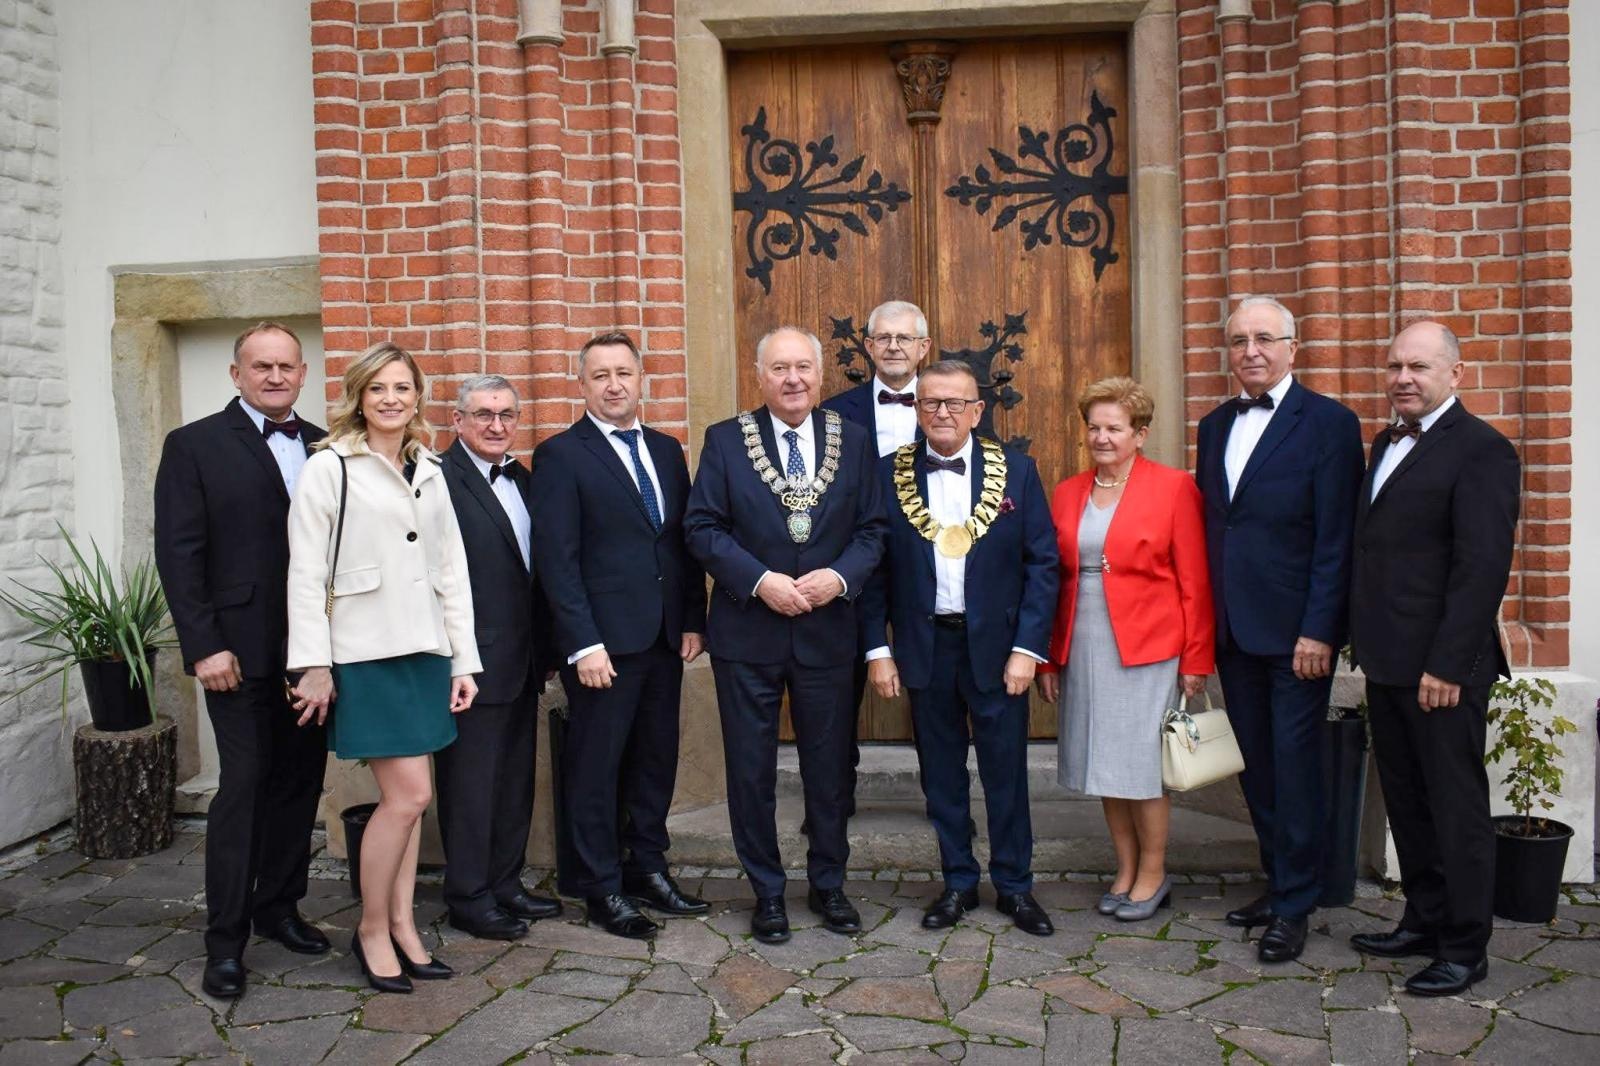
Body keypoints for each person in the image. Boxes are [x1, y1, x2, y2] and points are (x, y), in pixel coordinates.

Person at [286, 341, 481, 994]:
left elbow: (450, 567)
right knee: (410, 796)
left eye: (402, 387)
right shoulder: (329, 468)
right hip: (364, 653)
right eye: (379, 389)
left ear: (418, 396)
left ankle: (403, 925)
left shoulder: (428, 465)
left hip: (425, 651)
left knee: (411, 805)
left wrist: (464, 661)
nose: (392, 399)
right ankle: (371, 928)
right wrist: (312, 664)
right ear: (359, 397)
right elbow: (305, 573)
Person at [684, 326, 888, 945]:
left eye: (803, 367)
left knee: (829, 768)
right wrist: (759, 580)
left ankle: (829, 884)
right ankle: (766, 891)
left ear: (820, 375)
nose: (793, 378)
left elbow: (874, 530)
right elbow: (702, 527)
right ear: (759, 374)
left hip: (829, 632)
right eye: (780, 368)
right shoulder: (724, 441)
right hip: (749, 632)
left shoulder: (854, 442)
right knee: (751, 770)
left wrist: (840, 577)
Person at [153, 322, 332, 1000]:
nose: (275, 377)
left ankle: (279, 907)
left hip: (311, 654)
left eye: (287, 366)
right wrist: (202, 646)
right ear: (236, 375)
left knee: (298, 785)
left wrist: (330, 653)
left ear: (303, 373)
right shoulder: (193, 445)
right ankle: (224, 942)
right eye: (261, 367)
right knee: (244, 789)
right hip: (235, 652)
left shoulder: (324, 445)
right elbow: (180, 552)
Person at [1347, 321, 1520, 997]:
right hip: (1388, 660)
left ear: (1456, 374)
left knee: (1455, 809)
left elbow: (1481, 569)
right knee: (1409, 805)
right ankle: (1423, 918)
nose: (1403, 378)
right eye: (1394, 366)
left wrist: (1447, 665)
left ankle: (1465, 946)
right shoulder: (1386, 442)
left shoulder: (1482, 451)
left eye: (1418, 366)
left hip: (1442, 671)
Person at [1193, 296, 1365, 962]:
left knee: (1295, 770)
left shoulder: (1329, 424)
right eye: (1239, 340)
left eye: (1265, 338)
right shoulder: (1213, 426)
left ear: (1294, 347)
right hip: (1235, 630)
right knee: (1257, 768)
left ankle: (1296, 904)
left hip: (1298, 636)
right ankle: (1280, 881)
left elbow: (1335, 538)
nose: (1251, 351)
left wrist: (1320, 630)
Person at [861, 361, 1059, 934]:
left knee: (1006, 772)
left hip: (999, 651)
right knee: (941, 774)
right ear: (917, 411)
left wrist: (1029, 648)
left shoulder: (1017, 473)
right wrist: (878, 650)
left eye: (954, 403)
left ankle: (1016, 886)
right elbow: (873, 569)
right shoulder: (886, 474)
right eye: (930, 403)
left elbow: (1042, 565)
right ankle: (958, 882)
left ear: (978, 411)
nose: (941, 413)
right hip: (926, 646)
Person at [531, 332, 709, 941]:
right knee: (596, 768)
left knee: (655, 763)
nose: (614, 385)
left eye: (624, 373)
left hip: (662, 638)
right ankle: (600, 885)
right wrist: (581, 643)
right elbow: (557, 559)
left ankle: (648, 868)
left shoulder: (666, 449)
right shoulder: (560, 455)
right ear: (581, 385)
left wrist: (691, 618)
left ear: (642, 380)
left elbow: (679, 545)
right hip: (602, 647)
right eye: (600, 375)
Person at [1037, 377, 1214, 922]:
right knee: (1103, 763)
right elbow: (1051, 577)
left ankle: (1154, 873)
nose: (1102, 437)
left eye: (1115, 428)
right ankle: (1125, 867)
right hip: (1083, 637)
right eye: (1094, 427)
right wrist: (1049, 653)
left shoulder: (1173, 488)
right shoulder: (1069, 491)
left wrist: (1196, 659)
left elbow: (1195, 580)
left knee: (1141, 766)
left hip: (1150, 644)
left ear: (1140, 433)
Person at [436, 375, 561, 942]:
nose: (496, 425)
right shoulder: (436, 480)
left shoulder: (525, 480)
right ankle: (468, 895)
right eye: (483, 414)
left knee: (513, 779)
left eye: (507, 415)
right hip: (470, 663)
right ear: (457, 420)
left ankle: (506, 883)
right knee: (470, 784)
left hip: (523, 658)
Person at [821, 299, 932, 813]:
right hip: (852, 561)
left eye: (904, 338)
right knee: (839, 689)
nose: (892, 346)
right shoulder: (835, 413)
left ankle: (942, 800)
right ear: (868, 347)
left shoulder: (946, 404)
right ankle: (835, 803)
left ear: (923, 349)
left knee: (933, 689)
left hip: (924, 563)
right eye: (883, 338)